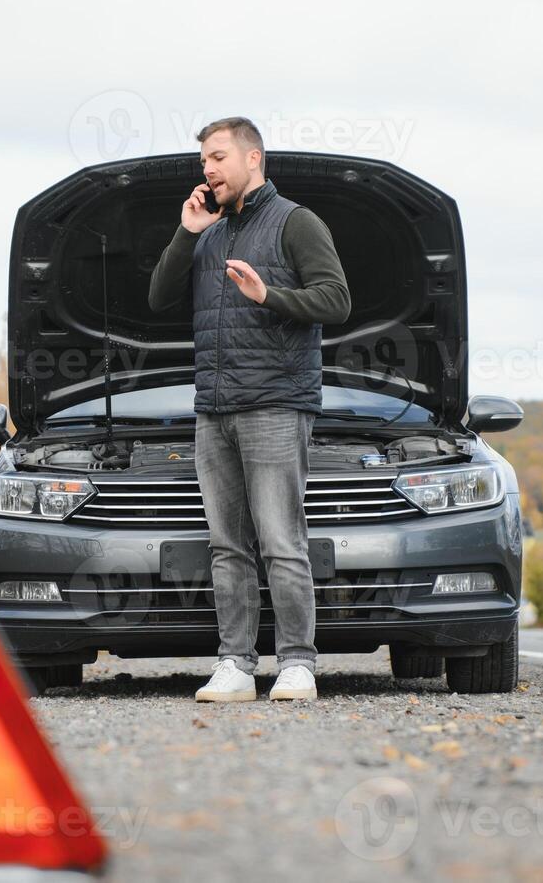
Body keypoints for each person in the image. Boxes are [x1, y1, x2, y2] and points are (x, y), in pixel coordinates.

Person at [147, 116, 351, 703]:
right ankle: (235, 665)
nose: (207, 170)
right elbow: (159, 297)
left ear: (253, 158)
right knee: (226, 546)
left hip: (276, 406)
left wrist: (270, 295)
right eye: (203, 161)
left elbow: (336, 299)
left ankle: (296, 665)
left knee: (281, 540)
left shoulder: (296, 222)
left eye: (217, 157)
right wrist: (187, 234)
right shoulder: (206, 232)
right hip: (213, 410)